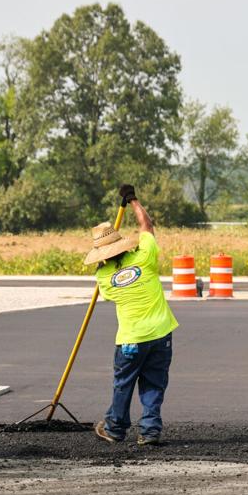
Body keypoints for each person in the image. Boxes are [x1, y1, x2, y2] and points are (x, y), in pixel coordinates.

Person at [89, 184, 179, 446]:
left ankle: (115, 428)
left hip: (130, 339)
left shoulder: (103, 277)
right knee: (153, 383)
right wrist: (133, 201)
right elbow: (147, 227)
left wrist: (103, 264)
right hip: (161, 333)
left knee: (123, 384)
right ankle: (150, 431)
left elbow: (109, 281)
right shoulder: (145, 256)